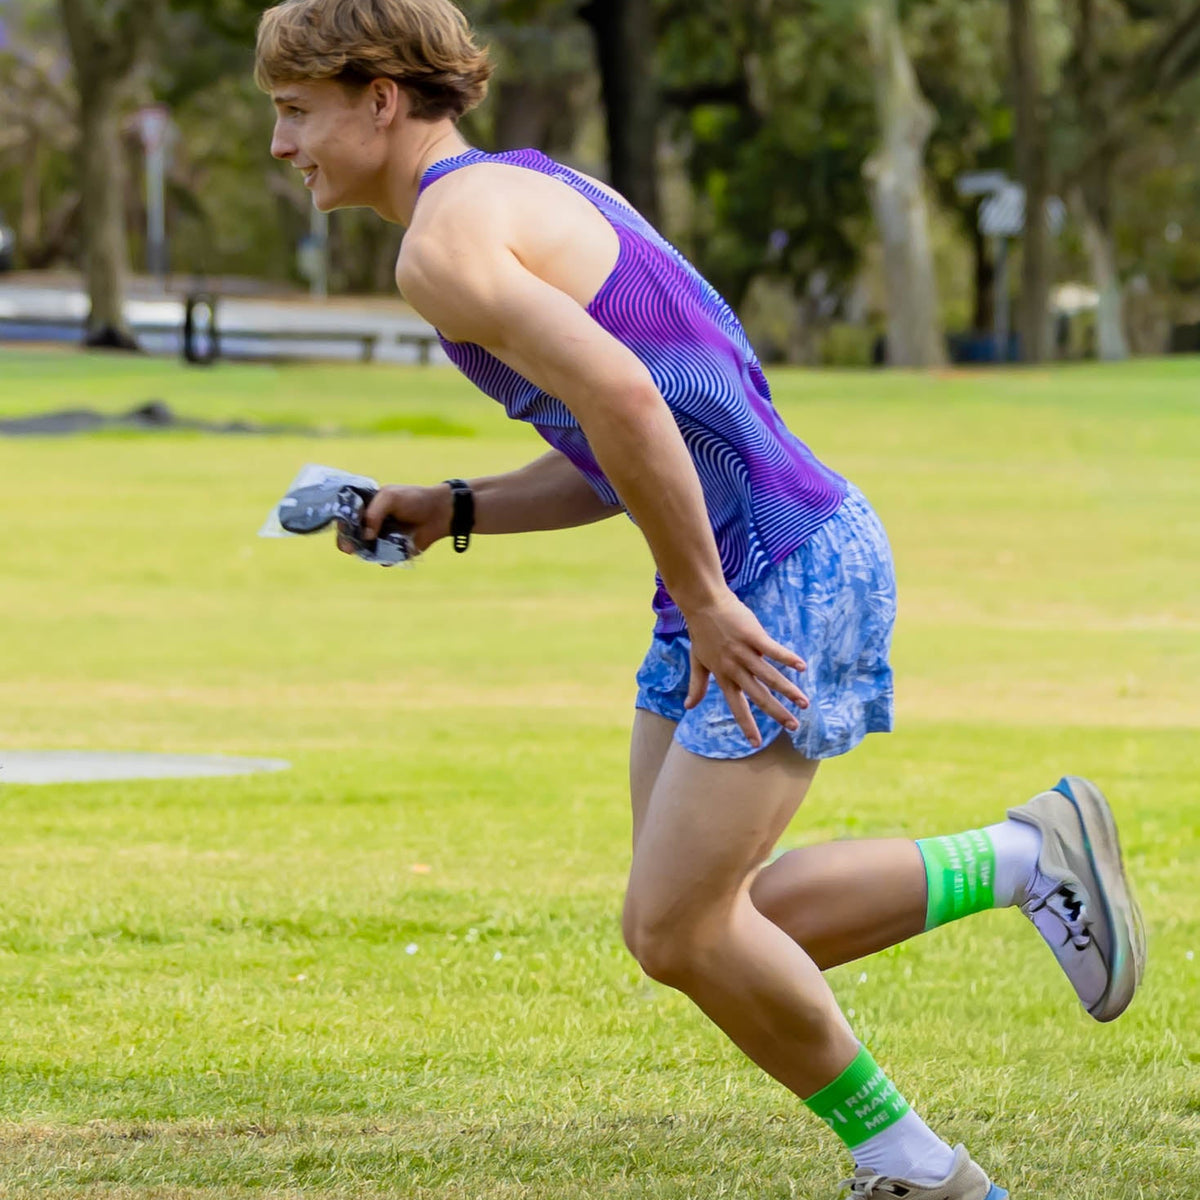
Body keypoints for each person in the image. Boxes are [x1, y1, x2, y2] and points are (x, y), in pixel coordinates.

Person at [255, 3, 1146, 1196]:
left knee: (678, 929)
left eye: (294, 111)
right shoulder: (525, 187)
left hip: (777, 569)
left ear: (378, 99)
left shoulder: (443, 248)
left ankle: (917, 1165)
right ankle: (1024, 856)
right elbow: (619, 442)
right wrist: (457, 505)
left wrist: (712, 596)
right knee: (714, 925)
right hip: (760, 564)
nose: (280, 144)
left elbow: (630, 406)